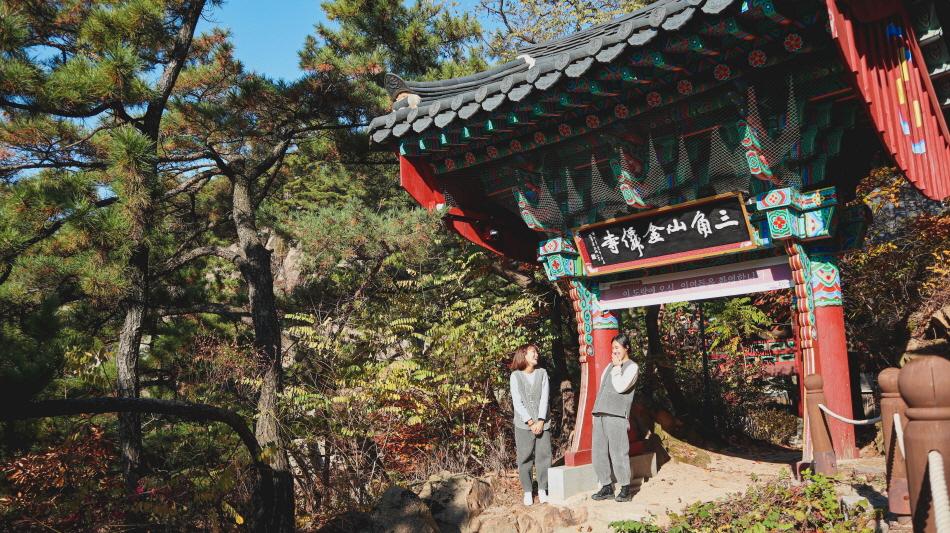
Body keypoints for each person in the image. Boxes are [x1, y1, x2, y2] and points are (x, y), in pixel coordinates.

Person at [590, 334, 640, 502]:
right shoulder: (609, 367)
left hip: (617, 414)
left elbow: (620, 387)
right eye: (613, 349)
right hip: (600, 413)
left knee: (618, 452)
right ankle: (606, 486)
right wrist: (594, 412)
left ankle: (626, 488)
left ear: (627, 348)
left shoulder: (632, 367)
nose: (615, 351)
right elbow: (601, 390)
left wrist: (618, 367)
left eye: (618, 348)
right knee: (598, 452)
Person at [509, 344, 552, 506]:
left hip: (543, 423)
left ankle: (542, 488)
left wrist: (540, 420)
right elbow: (517, 402)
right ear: (523, 356)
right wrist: (530, 421)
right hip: (523, 424)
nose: (536, 354)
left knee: (544, 456)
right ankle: (528, 491)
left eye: (536, 352)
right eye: (533, 352)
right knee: (524, 457)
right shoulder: (516, 376)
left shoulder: (542, 373)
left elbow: (544, 398)